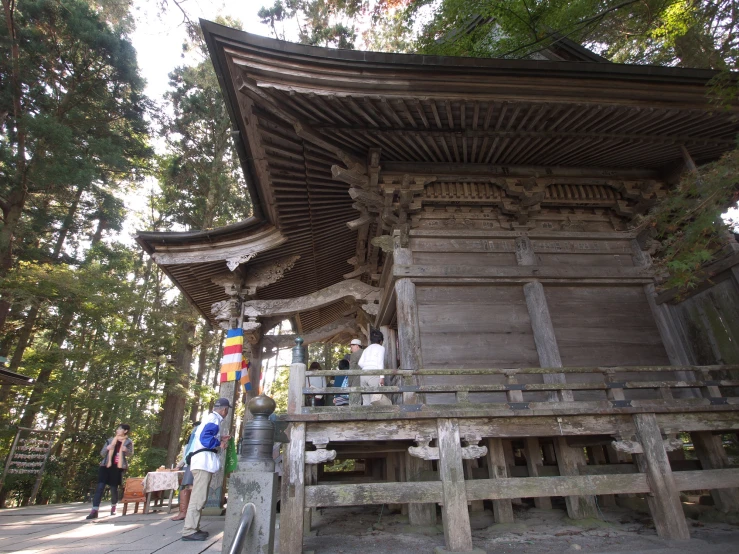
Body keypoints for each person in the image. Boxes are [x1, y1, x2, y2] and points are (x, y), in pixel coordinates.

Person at [181, 398, 231, 541]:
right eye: (227, 410)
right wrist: (219, 443)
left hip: (200, 462)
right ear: (224, 410)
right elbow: (205, 439)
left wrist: (220, 437)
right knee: (199, 497)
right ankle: (189, 530)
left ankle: (193, 527)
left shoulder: (210, 419)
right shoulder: (214, 420)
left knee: (199, 496)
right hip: (202, 463)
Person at [86, 424, 133, 519]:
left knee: (113, 488)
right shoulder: (110, 440)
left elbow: (130, 454)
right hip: (105, 465)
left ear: (125, 431)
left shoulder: (128, 442)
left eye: (120, 429)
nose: (117, 430)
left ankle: (113, 506)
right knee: (100, 487)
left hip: (117, 467)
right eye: (117, 428)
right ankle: (94, 510)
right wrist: (107, 449)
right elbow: (102, 453)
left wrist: (126, 450)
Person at [171, 421, 199, 521]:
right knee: (188, 486)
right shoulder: (194, 436)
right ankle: (184, 511)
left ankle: (186, 512)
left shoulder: (197, 432)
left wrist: (179, 465)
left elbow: (188, 453)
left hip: (192, 462)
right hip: (190, 462)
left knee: (190, 486)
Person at [358, 329, 386, 405]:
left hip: (363, 374)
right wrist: (382, 377)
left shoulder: (366, 349)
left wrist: (367, 366)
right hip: (374, 374)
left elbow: (360, 363)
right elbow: (380, 362)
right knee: (375, 399)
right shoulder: (381, 348)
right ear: (381, 341)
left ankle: (365, 416)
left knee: (366, 400)